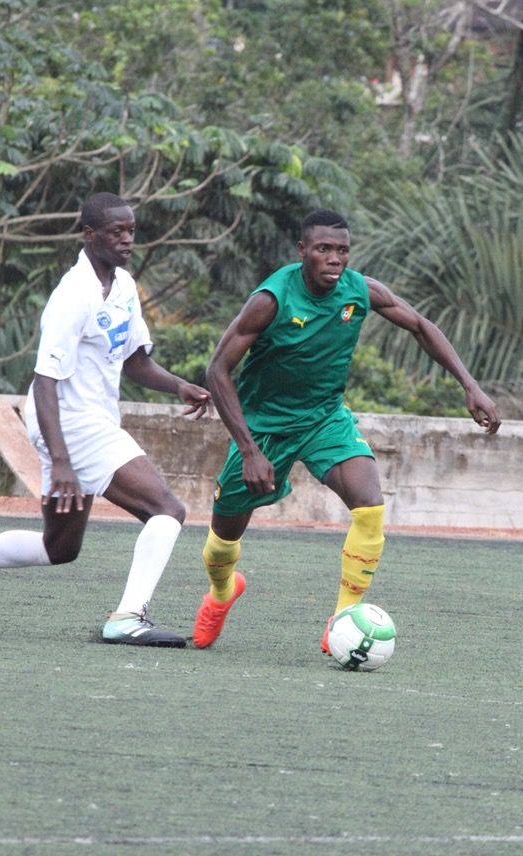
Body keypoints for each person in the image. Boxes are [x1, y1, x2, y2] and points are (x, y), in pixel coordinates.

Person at [0, 191, 211, 646]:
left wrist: (179, 384)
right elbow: (45, 381)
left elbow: (136, 361)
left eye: (131, 231)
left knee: (58, 547)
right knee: (167, 509)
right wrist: (61, 461)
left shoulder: (122, 285)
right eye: (116, 231)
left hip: (88, 423)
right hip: (69, 422)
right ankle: (128, 617)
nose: (127, 239)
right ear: (89, 235)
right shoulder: (73, 295)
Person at [192, 209, 501, 652]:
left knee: (370, 505)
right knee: (223, 540)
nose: (334, 259)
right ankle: (222, 593)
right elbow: (217, 370)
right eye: (323, 249)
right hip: (263, 430)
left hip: (324, 419)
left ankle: (342, 620)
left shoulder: (361, 290)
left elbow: (419, 325)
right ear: (302, 252)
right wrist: (248, 450)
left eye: (342, 251)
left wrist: (470, 385)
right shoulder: (271, 299)